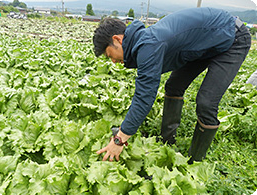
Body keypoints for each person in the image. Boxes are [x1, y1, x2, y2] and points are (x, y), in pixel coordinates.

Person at [93, 7, 251, 163]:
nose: (113, 61)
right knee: (173, 86)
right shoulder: (143, 41)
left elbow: (144, 97)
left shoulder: (148, 44)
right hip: (205, 42)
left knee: (206, 102)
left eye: (109, 55)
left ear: (117, 40)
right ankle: (167, 141)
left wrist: (120, 139)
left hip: (232, 38)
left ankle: (195, 161)